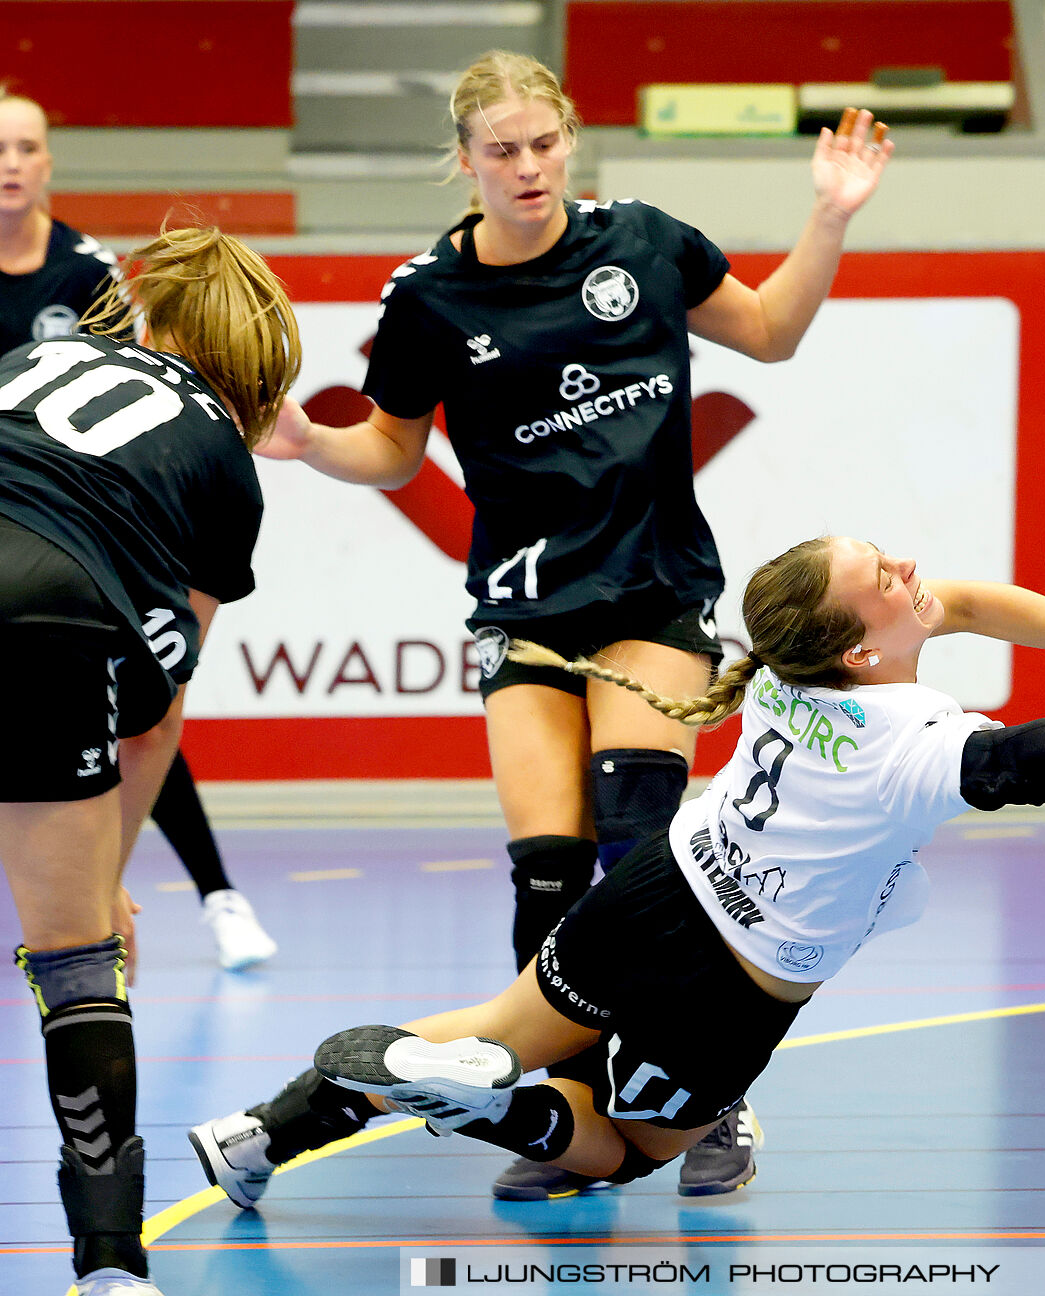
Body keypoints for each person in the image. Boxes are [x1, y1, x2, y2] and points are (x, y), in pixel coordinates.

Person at [251, 49, 893, 1200]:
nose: (528, 167)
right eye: (501, 151)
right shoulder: (429, 298)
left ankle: (708, 1103)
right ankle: (567, 1116)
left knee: (638, 841)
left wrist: (828, 218)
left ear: (568, 141)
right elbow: (393, 447)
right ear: (464, 163)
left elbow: (770, 334)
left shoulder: (643, 242)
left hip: (651, 591)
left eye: (543, 144)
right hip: (525, 607)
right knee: (548, 874)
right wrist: (309, 445)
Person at [190, 535, 1045, 1211]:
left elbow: (972, 602)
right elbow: (1012, 764)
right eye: (886, 575)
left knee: (491, 1027)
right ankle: (501, 1118)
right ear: (857, 646)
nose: (908, 571)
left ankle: (258, 1136)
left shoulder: (790, 675)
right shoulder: (908, 734)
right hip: (737, 981)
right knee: (630, 1154)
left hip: (657, 890)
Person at [1, 225, 301, 1296]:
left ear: (153, 317)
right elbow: (156, 715)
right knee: (77, 964)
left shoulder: (30, 355)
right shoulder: (222, 458)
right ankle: (110, 1260)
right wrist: (108, 877)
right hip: (52, 617)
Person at [0, 91, 279, 972]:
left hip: (77, 529)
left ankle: (213, 895)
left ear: (50, 163)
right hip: (29, 519)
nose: (10, 163)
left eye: (27, 147)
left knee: (132, 693)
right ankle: (100, 914)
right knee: (137, 694)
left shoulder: (86, 272)